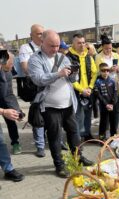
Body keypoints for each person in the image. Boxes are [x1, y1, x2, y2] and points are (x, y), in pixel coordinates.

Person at [28, 30, 93, 178]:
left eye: (58, 45)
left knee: (74, 133)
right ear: (42, 42)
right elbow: (38, 79)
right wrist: (58, 74)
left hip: (68, 104)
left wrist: (73, 74)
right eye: (52, 46)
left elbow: (72, 80)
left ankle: (78, 157)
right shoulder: (35, 59)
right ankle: (59, 164)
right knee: (55, 136)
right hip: (50, 107)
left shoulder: (63, 57)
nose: (55, 49)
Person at [18, 24, 46, 158]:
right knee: (37, 115)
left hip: (49, 86)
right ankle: (40, 145)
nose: (42, 36)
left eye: (43, 33)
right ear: (32, 35)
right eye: (39, 33)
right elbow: (25, 68)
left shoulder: (47, 46)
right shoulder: (25, 48)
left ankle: (54, 141)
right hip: (36, 87)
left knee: (52, 115)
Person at [66, 33, 97, 142]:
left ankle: (87, 134)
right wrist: (81, 90)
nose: (82, 45)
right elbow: (70, 78)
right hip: (75, 91)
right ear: (73, 43)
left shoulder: (88, 56)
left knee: (88, 114)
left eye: (83, 42)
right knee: (77, 116)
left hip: (88, 91)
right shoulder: (68, 57)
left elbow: (95, 73)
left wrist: (90, 87)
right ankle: (77, 138)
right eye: (79, 43)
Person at [0, 50, 25, 183]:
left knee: (0, 142)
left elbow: (8, 94)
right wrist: (3, 112)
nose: (12, 67)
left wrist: (17, 110)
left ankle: (8, 169)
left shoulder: (7, 72)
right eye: (10, 63)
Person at [94, 63, 119, 140]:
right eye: (103, 70)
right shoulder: (98, 82)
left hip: (113, 106)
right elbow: (98, 95)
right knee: (103, 123)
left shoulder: (112, 81)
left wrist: (112, 104)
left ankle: (113, 138)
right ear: (100, 71)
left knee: (113, 123)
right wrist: (106, 104)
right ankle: (102, 138)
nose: (105, 72)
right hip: (103, 106)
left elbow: (115, 93)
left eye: (107, 70)